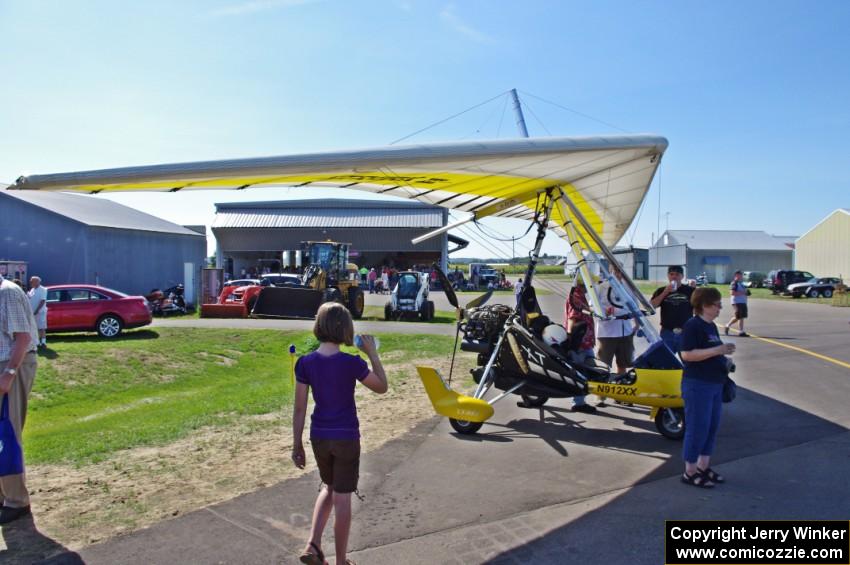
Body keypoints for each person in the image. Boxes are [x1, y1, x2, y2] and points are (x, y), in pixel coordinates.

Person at [292, 303, 388, 565]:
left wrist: (296, 444)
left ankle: (313, 545)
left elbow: (300, 407)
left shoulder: (305, 363)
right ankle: (341, 561)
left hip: (319, 436)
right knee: (343, 498)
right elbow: (382, 387)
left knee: (329, 487)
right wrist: (372, 354)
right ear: (346, 329)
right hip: (346, 437)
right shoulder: (352, 363)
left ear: (319, 326)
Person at [679, 287, 735, 488]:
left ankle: (703, 467)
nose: (720, 307)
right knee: (697, 428)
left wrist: (723, 357)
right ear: (704, 306)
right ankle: (690, 471)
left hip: (714, 384)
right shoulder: (693, 326)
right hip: (697, 384)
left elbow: (710, 352)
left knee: (711, 428)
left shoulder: (711, 326)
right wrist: (718, 350)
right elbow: (687, 355)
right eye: (717, 304)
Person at [0, 277, 39, 524]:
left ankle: (16, 501)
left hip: (12, 365)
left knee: (8, 432)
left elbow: (23, 338)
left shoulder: (7, 293)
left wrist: (9, 374)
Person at [596, 268, 636, 383]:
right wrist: (604, 312)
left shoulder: (628, 288)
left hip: (625, 332)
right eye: (615, 271)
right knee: (603, 365)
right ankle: (601, 396)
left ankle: (620, 392)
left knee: (623, 364)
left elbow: (635, 307)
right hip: (607, 332)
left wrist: (637, 325)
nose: (618, 274)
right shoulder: (602, 287)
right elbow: (593, 305)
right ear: (610, 271)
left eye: (620, 271)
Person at [565, 279, 597, 414]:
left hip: (585, 342)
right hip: (580, 344)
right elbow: (572, 318)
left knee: (589, 370)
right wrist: (572, 342)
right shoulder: (576, 297)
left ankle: (580, 401)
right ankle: (578, 403)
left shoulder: (580, 296)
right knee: (582, 372)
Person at [650, 265, 695, 353]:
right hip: (667, 331)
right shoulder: (661, 290)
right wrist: (665, 292)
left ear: (682, 276)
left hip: (685, 332)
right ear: (668, 276)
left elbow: (697, 309)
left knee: (687, 362)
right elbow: (652, 306)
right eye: (671, 274)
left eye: (677, 274)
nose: (674, 276)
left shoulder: (690, 290)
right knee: (667, 362)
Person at [724, 270, 749, 337]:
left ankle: (739, 331)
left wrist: (747, 292)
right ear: (736, 275)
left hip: (743, 302)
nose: (741, 276)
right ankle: (730, 326)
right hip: (737, 302)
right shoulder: (734, 283)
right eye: (740, 275)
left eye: (741, 275)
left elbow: (744, 292)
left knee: (741, 317)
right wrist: (744, 293)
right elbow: (732, 293)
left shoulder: (741, 283)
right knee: (738, 316)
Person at [27, 276, 48, 348]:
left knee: (42, 327)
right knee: (35, 328)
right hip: (32, 312)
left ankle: (43, 343)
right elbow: (30, 298)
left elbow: (42, 301)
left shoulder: (43, 289)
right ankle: (37, 342)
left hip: (40, 312)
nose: (30, 282)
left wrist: (37, 310)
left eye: (32, 281)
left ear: (37, 282)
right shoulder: (32, 289)